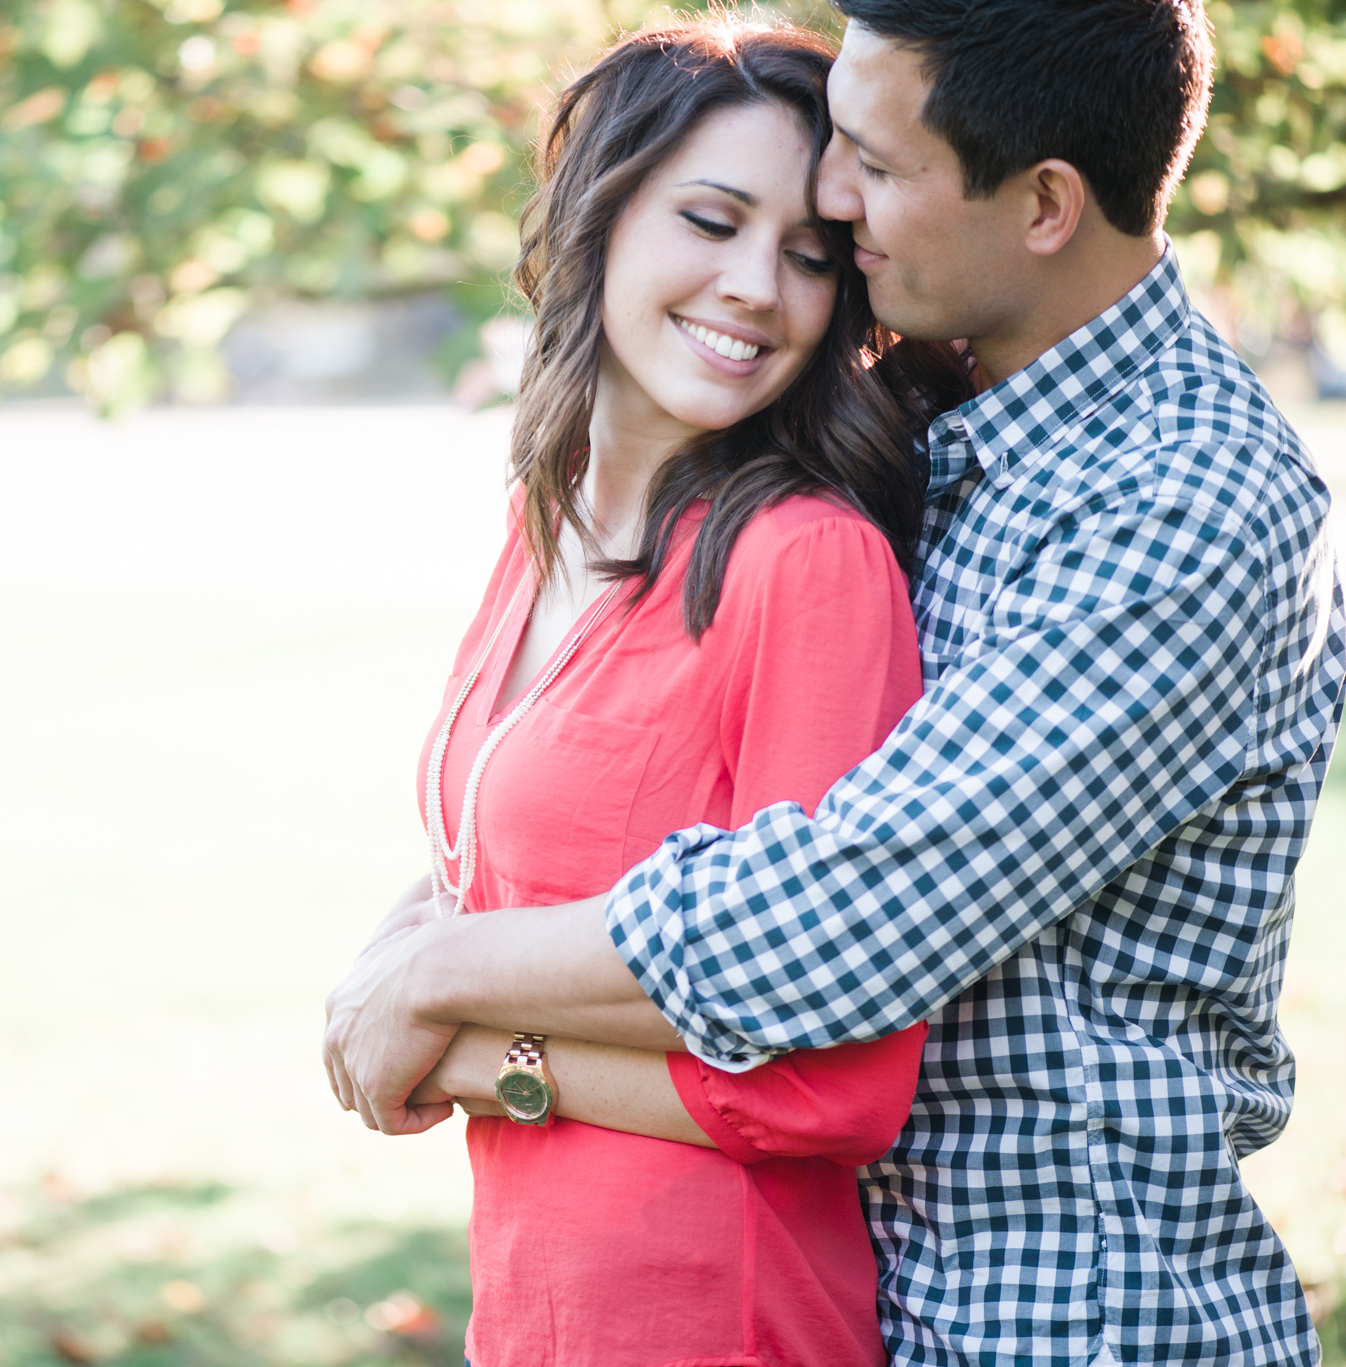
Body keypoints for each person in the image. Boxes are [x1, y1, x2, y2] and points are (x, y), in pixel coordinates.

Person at [325, 1, 1346, 1364]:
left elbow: (847, 908)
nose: (832, 192)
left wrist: (441, 992)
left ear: (1044, 203)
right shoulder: (958, 441)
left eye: (871, 164)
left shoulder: (1175, 499)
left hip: (1072, 1327)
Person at [338, 14, 975, 1367]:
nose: (759, 286)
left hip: (724, 1323)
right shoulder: (541, 531)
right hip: (538, 1321)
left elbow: (837, 1083)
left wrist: (460, 1050)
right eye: (712, 219)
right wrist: (403, 968)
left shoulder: (807, 564)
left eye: (810, 255)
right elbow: (509, 876)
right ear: (601, 217)